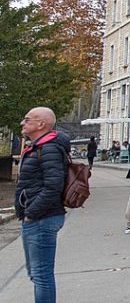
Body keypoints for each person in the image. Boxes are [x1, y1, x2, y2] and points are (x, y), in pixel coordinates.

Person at [16, 107, 70, 303]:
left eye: (27, 119)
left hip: (42, 219)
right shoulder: (38, 146)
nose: (23, 122)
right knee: (36, 273)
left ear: (41, 124)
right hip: (36, 218)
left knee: (41, 276)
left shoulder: (49, 149)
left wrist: (31, 213)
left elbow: (53, 186)